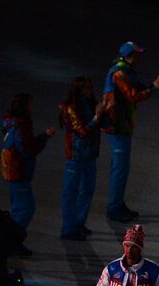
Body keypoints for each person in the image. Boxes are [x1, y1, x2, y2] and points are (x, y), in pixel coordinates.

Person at [102, 42, 159, 222]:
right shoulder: (119, 73)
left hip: (124, 125)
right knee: (119, 168)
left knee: (122, 168)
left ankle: (118, 204)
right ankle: (114, 208)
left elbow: (139, 89)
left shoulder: (128, 71)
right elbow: (132, 95)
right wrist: (153, 87)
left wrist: (153, 86)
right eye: (136, 54)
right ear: (128, 56)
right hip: (116, 126)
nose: (139, 57)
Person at [0, 93, 54, 241]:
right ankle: (11, 241)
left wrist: (43, 136)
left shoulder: (12, 123)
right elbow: (27, 149)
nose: (33, 107)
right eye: (31, 104)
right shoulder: (22, 126)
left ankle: (10, 240)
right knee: (25, 209)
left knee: (17, 209)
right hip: (18, 172)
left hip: (12, 172)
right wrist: (43, 139)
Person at [58, 76, 103, 240]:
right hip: (76, 156)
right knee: (70, 193)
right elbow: (82, 132)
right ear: (78, 90)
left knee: (87, 189)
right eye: (86, 88)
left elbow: (101, 124)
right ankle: (68, 229)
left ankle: (78, 222)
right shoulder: (70, 108)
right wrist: (97, 117)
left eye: (90, 88)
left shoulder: (89, 103)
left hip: (90, 155)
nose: (90, 91)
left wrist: (104, 112)